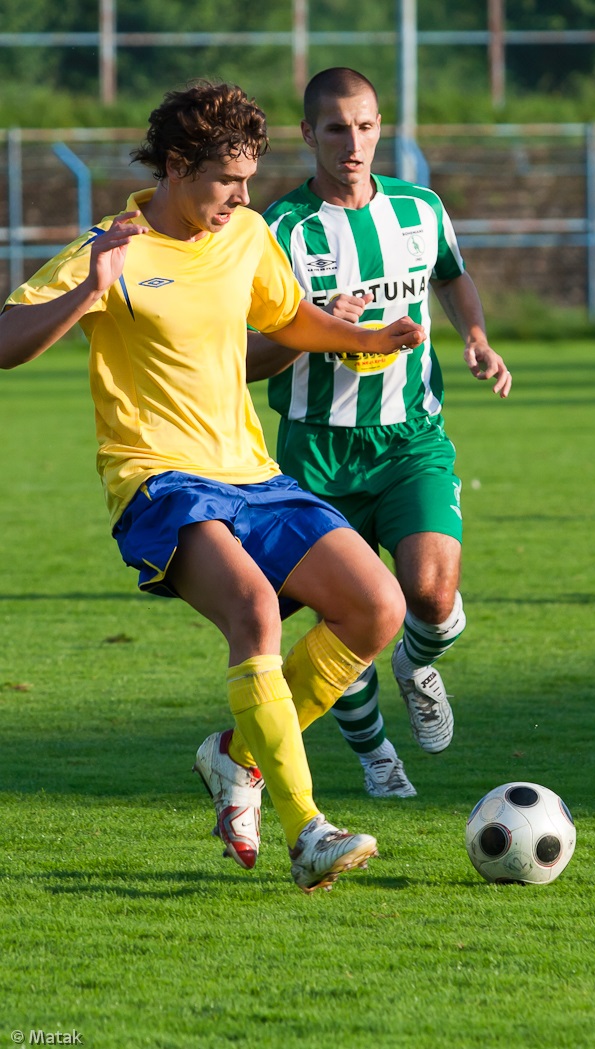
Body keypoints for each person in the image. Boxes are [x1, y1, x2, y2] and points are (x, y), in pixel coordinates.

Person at [0, 80, 427, 893]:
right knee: (255, 611)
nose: (242, 195)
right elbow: (6, 341)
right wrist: (91, 288)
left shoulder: (248, 235)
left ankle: (235, 755)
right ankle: (308, 828)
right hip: (158, 480)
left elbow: (288, 316)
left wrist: (368, 335)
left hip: (251, 472)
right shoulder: (112, 246)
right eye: (226, 179)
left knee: (376, 605)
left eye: (249, 178)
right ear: (174, 165)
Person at [247, 68, 512, 799]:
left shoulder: (420, 209)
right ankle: (373, 754)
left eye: (365, 126)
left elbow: (452, 276)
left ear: (380, 126)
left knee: (429, 593)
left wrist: (478, 336)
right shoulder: (276, 232)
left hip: (409, 437)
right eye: (335, 128)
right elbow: (242, 355)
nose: (352, 142)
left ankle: (418, 663)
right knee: (344, 612)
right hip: (315, 449)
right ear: (308, 135)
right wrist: (318, 325)